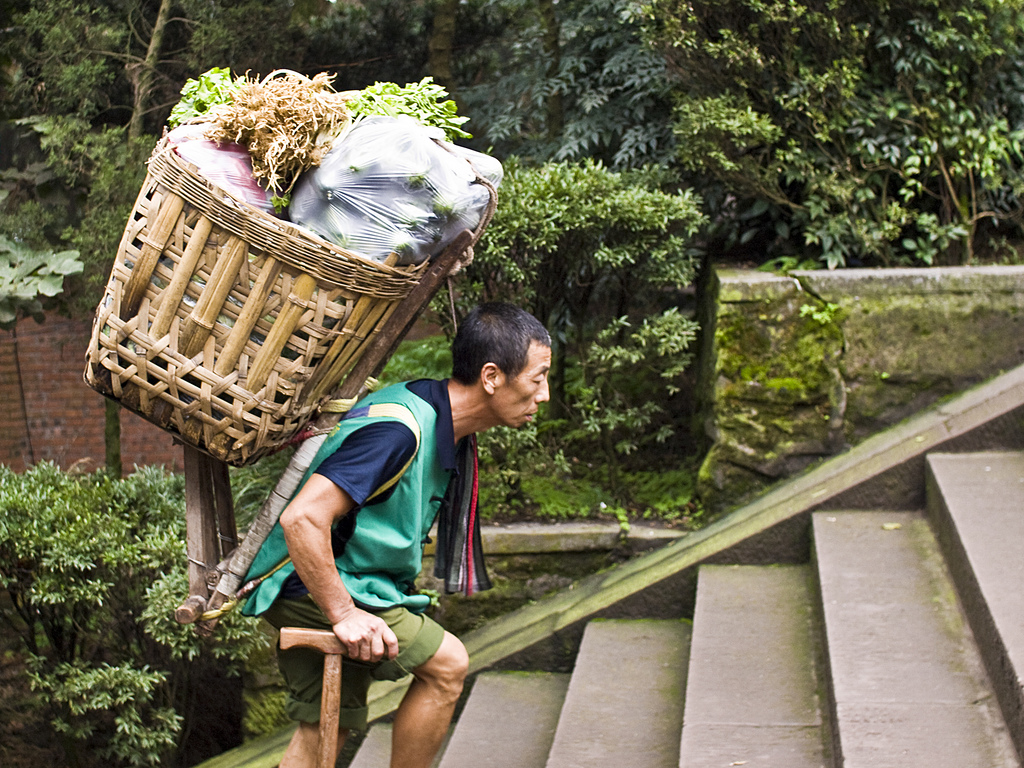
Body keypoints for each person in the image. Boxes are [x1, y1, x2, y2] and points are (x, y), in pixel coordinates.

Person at [240, 302, 551, 768]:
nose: (543, 394)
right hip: (309, 577)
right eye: (538, 377)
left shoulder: (437, 415)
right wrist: (343, 614)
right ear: (491, 377)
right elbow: (303, 520)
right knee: (447, 667)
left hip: (330, 577)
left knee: (327, 726)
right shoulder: (399, 430)